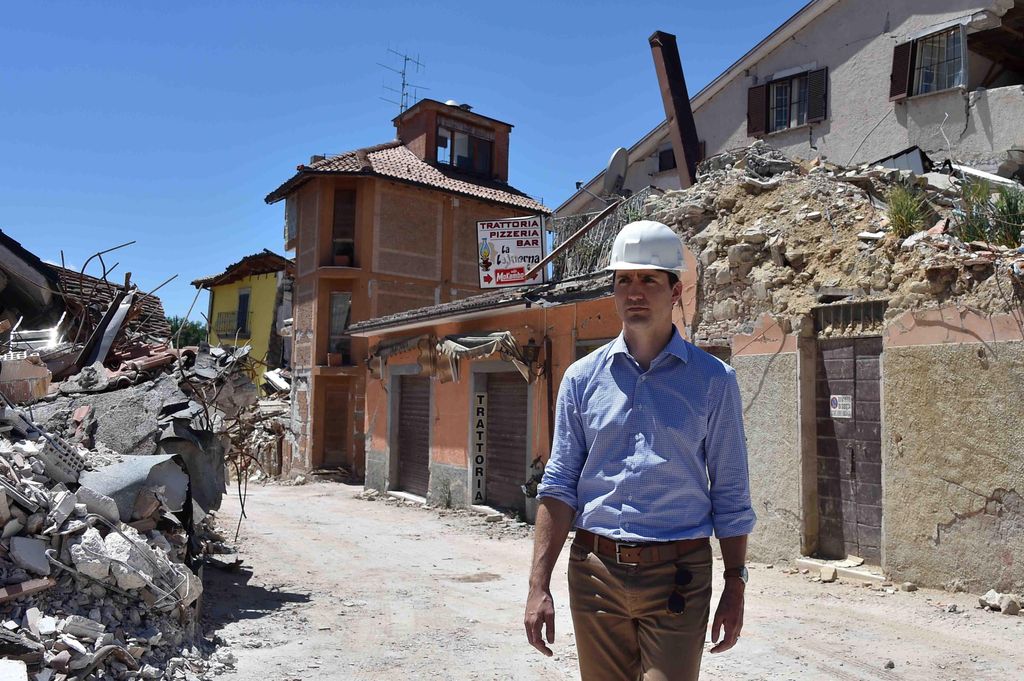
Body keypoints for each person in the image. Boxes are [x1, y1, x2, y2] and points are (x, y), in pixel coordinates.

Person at [524, 220, 756, 681]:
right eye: (623, 280)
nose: (634, 291)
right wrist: (538, 584)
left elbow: (730, 488)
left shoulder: (714, 382)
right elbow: (559, 485)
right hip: (594, 575)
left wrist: (735, 581)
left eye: (648, 278)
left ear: (674, 291)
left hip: (678, 576)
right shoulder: (581, 379)